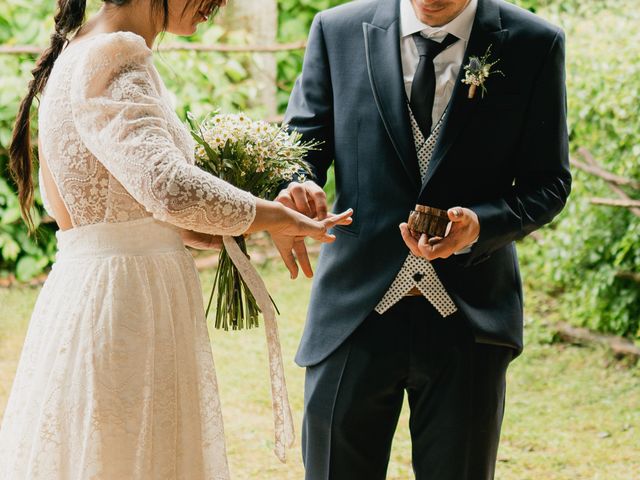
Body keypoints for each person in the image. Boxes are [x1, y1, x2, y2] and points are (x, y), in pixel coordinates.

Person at [0, 0, 352, 478]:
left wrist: (214, 227)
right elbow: (168, 186)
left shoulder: (81, 49)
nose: (220, 4)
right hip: (127, 304)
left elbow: (128, 197)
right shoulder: (114, 57)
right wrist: (271, 216)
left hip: (100, 290)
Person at [278, 0, 571, 478]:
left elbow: (550, 182)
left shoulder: (534, 42)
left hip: (469, 318)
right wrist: (296, 181)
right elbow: (299, 144)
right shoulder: (337, 30)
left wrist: (482, 225)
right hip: (355, 311)